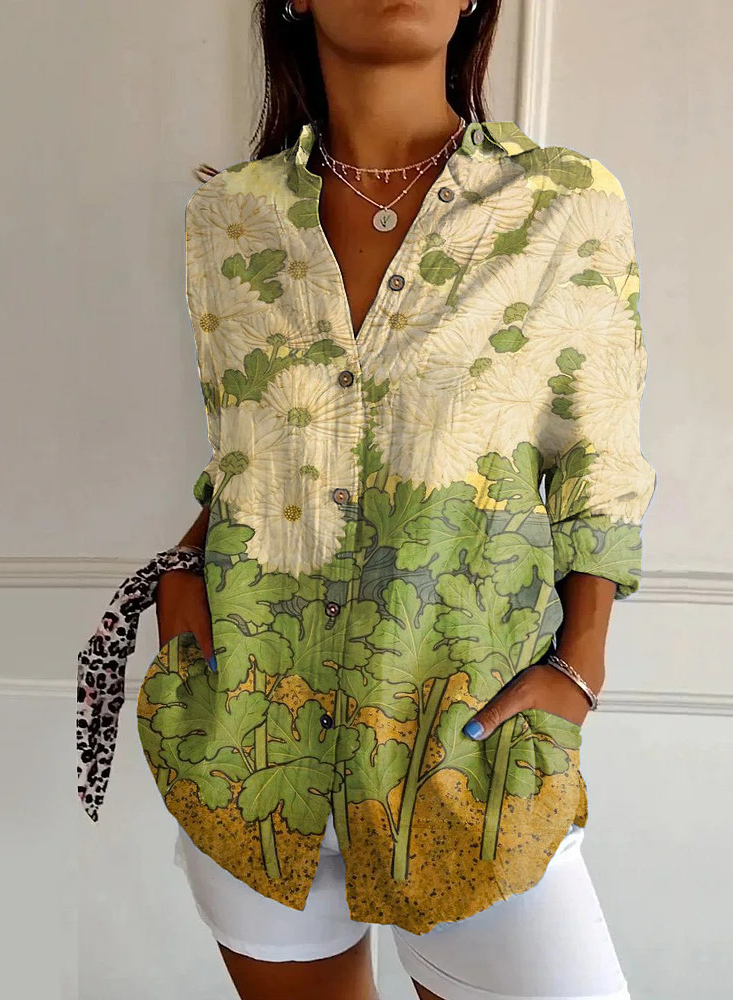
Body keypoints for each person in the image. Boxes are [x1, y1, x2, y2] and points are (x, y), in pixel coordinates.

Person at [150, 1, 655, 997]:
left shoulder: (562, 202)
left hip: (466, 749)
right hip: (253, 744)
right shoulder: (228, 219)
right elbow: (247, 453)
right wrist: (182, 574)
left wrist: (582, 662)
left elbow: (597, 458)